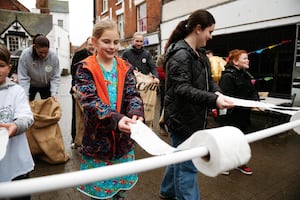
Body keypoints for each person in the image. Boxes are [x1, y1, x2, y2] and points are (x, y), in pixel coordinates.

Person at [159, 9, 233, 200]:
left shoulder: (200, 55)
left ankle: (167, 191)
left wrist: (217, 92)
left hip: (192, 118)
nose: (211, 36)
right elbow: (182, 89)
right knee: (188, 167)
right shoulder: (180, 54)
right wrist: (214, 100)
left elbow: (209, 80)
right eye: (210, 31)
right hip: (181, 120)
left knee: (179, 158)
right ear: (198, 29)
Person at [75, 19, 144, 200]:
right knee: (100, 195)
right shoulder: (85, 68)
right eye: (106, 41)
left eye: (116, 42)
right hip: (98, 143)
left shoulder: (125, 67)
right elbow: (90, 101)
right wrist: (116, 119)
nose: (112, 46)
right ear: (94, 41)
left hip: (122, 144)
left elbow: (133, 95)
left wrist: (136, 114)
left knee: (120, 195)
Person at [0, 45, 34, 200]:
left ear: (9, 67)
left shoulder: (16, 91)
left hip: (17, 162)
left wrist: (16, 125)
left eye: (0, 66)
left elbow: (26, 117)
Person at [219, 49, 259, 175]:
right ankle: (223, 164)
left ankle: (240, 163)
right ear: (235, 62)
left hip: (244, 115)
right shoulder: (227, 77)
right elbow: (228, 97)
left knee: (242, 141)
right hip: (231, 117)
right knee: (228, 141)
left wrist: (255, 100)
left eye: (247, 58)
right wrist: (248, 103)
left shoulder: (246, 75)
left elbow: (252, 90)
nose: (248, 60)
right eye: (244, 58)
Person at [18, 34, 60, 101]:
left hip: (46, 85)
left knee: (48, 106)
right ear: (35, 47)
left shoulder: (53, 57)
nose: (43, 55)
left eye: (46, 52)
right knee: (26, 105)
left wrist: (54, 93)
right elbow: (23, 78)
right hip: (31, 85)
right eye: (40, 52)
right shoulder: (25, 55)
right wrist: (25, 95)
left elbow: (55, 76)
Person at [70, 37, 95, 146]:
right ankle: (75, 138)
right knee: (77, 115)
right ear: (86, 44)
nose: (92, 47)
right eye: (90, 44)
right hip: (77, 88)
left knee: (91, 114)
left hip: (93, 90)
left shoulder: (97, 55)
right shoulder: (79, 54)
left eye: (93, 45)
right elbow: (73, 71)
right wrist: (76, 85)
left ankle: (90, 138)